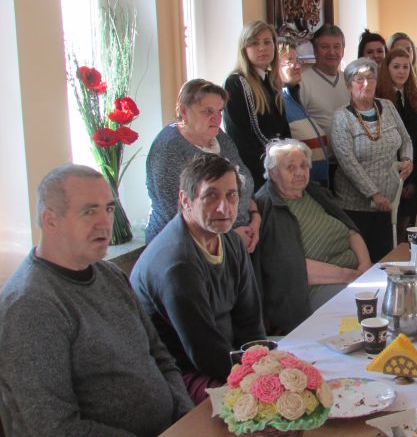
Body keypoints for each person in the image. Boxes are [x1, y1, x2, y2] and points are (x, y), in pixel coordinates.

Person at [0, 165, 193, 436]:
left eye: (109, 209)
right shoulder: (31, 305)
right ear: (50, 220)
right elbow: (53, 427)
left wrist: (185, 418)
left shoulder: (110, 274)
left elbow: (160, 355)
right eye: (89, 211)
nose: (105, 222)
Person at [131, 154, 265, 404]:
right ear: (185, 200)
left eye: (231, 195)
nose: (224, 207)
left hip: (226, 358)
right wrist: (259, 378)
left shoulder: (231, 241)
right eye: (210, 196)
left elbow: (250, 320)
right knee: (267, 401)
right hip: (182, 374)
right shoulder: (177, 263)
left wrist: (263, 363)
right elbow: (205, 354)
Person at [253, 139, 371, 333]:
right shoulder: (268, 207)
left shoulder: (314, 192)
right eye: (290, 167)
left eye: (303, 165)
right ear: (273, 173)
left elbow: (351, 231)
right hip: (310, 291)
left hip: (355, 276)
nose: (300, 172)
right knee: (372, 311)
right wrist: (350, 276)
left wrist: (365, 266)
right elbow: (291, 267)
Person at [146, 79, 259, 251]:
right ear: (184, 111)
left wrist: (255, 219)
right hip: (187, 247)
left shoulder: (219, 137)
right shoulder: (169, 148)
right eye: (207, 111)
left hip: (238, 237)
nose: (217, 119)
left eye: (220, 111)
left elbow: (243, 185)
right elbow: (177, 213)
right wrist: (231, 238)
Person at [331, 58, 414, 261]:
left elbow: (406, 139)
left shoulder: (387, 106)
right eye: (359, 79)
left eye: (371, 78)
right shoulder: (342, 117)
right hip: (356, 206)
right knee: (362, 262)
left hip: (388, 200)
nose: (366, 84)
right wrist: (373, 194)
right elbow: (347, 161)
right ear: (349, 85)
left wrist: (407, 159)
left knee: (385, 259)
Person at [224, 20, 290, 191]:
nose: (262, 48)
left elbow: (283, 129)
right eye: (254, 43)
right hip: (256, 173)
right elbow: (240, 138)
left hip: (279, 167)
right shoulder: (236, 84)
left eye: (267, 42)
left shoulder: (271, 82)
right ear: (244, 49)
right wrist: (272, 168)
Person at [376, 47, 417, 237]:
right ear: (387, 69)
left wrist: (413, 180)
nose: (401, 72)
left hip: (412, 173)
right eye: (396, 67)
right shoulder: (378, 98)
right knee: (388, 230)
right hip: (386, 175)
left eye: (406, 67)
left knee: (408, 230)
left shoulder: (416, 96)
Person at [279, 41, 330, 187]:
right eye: (290, 61)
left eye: (298, 61)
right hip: (299, 184)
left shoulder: (294, 97)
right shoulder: (279, 102)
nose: (297, 66)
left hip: (316, 183)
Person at [299, 24, 351, 137]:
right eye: (325, 47)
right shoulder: (302, 83)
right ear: (315, 51)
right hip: (319, 147)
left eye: (337, 47)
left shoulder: (350, 81)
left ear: (343, 50)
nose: (332, 52)